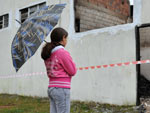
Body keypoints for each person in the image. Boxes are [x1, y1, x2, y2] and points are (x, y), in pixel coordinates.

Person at [41, 27, 77, 113]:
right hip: (61, 89)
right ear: (63, 38)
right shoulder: (62, 52)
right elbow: (72, 71)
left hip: (52, 88)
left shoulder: (49, 53)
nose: (67, 40)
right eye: (66, 38)